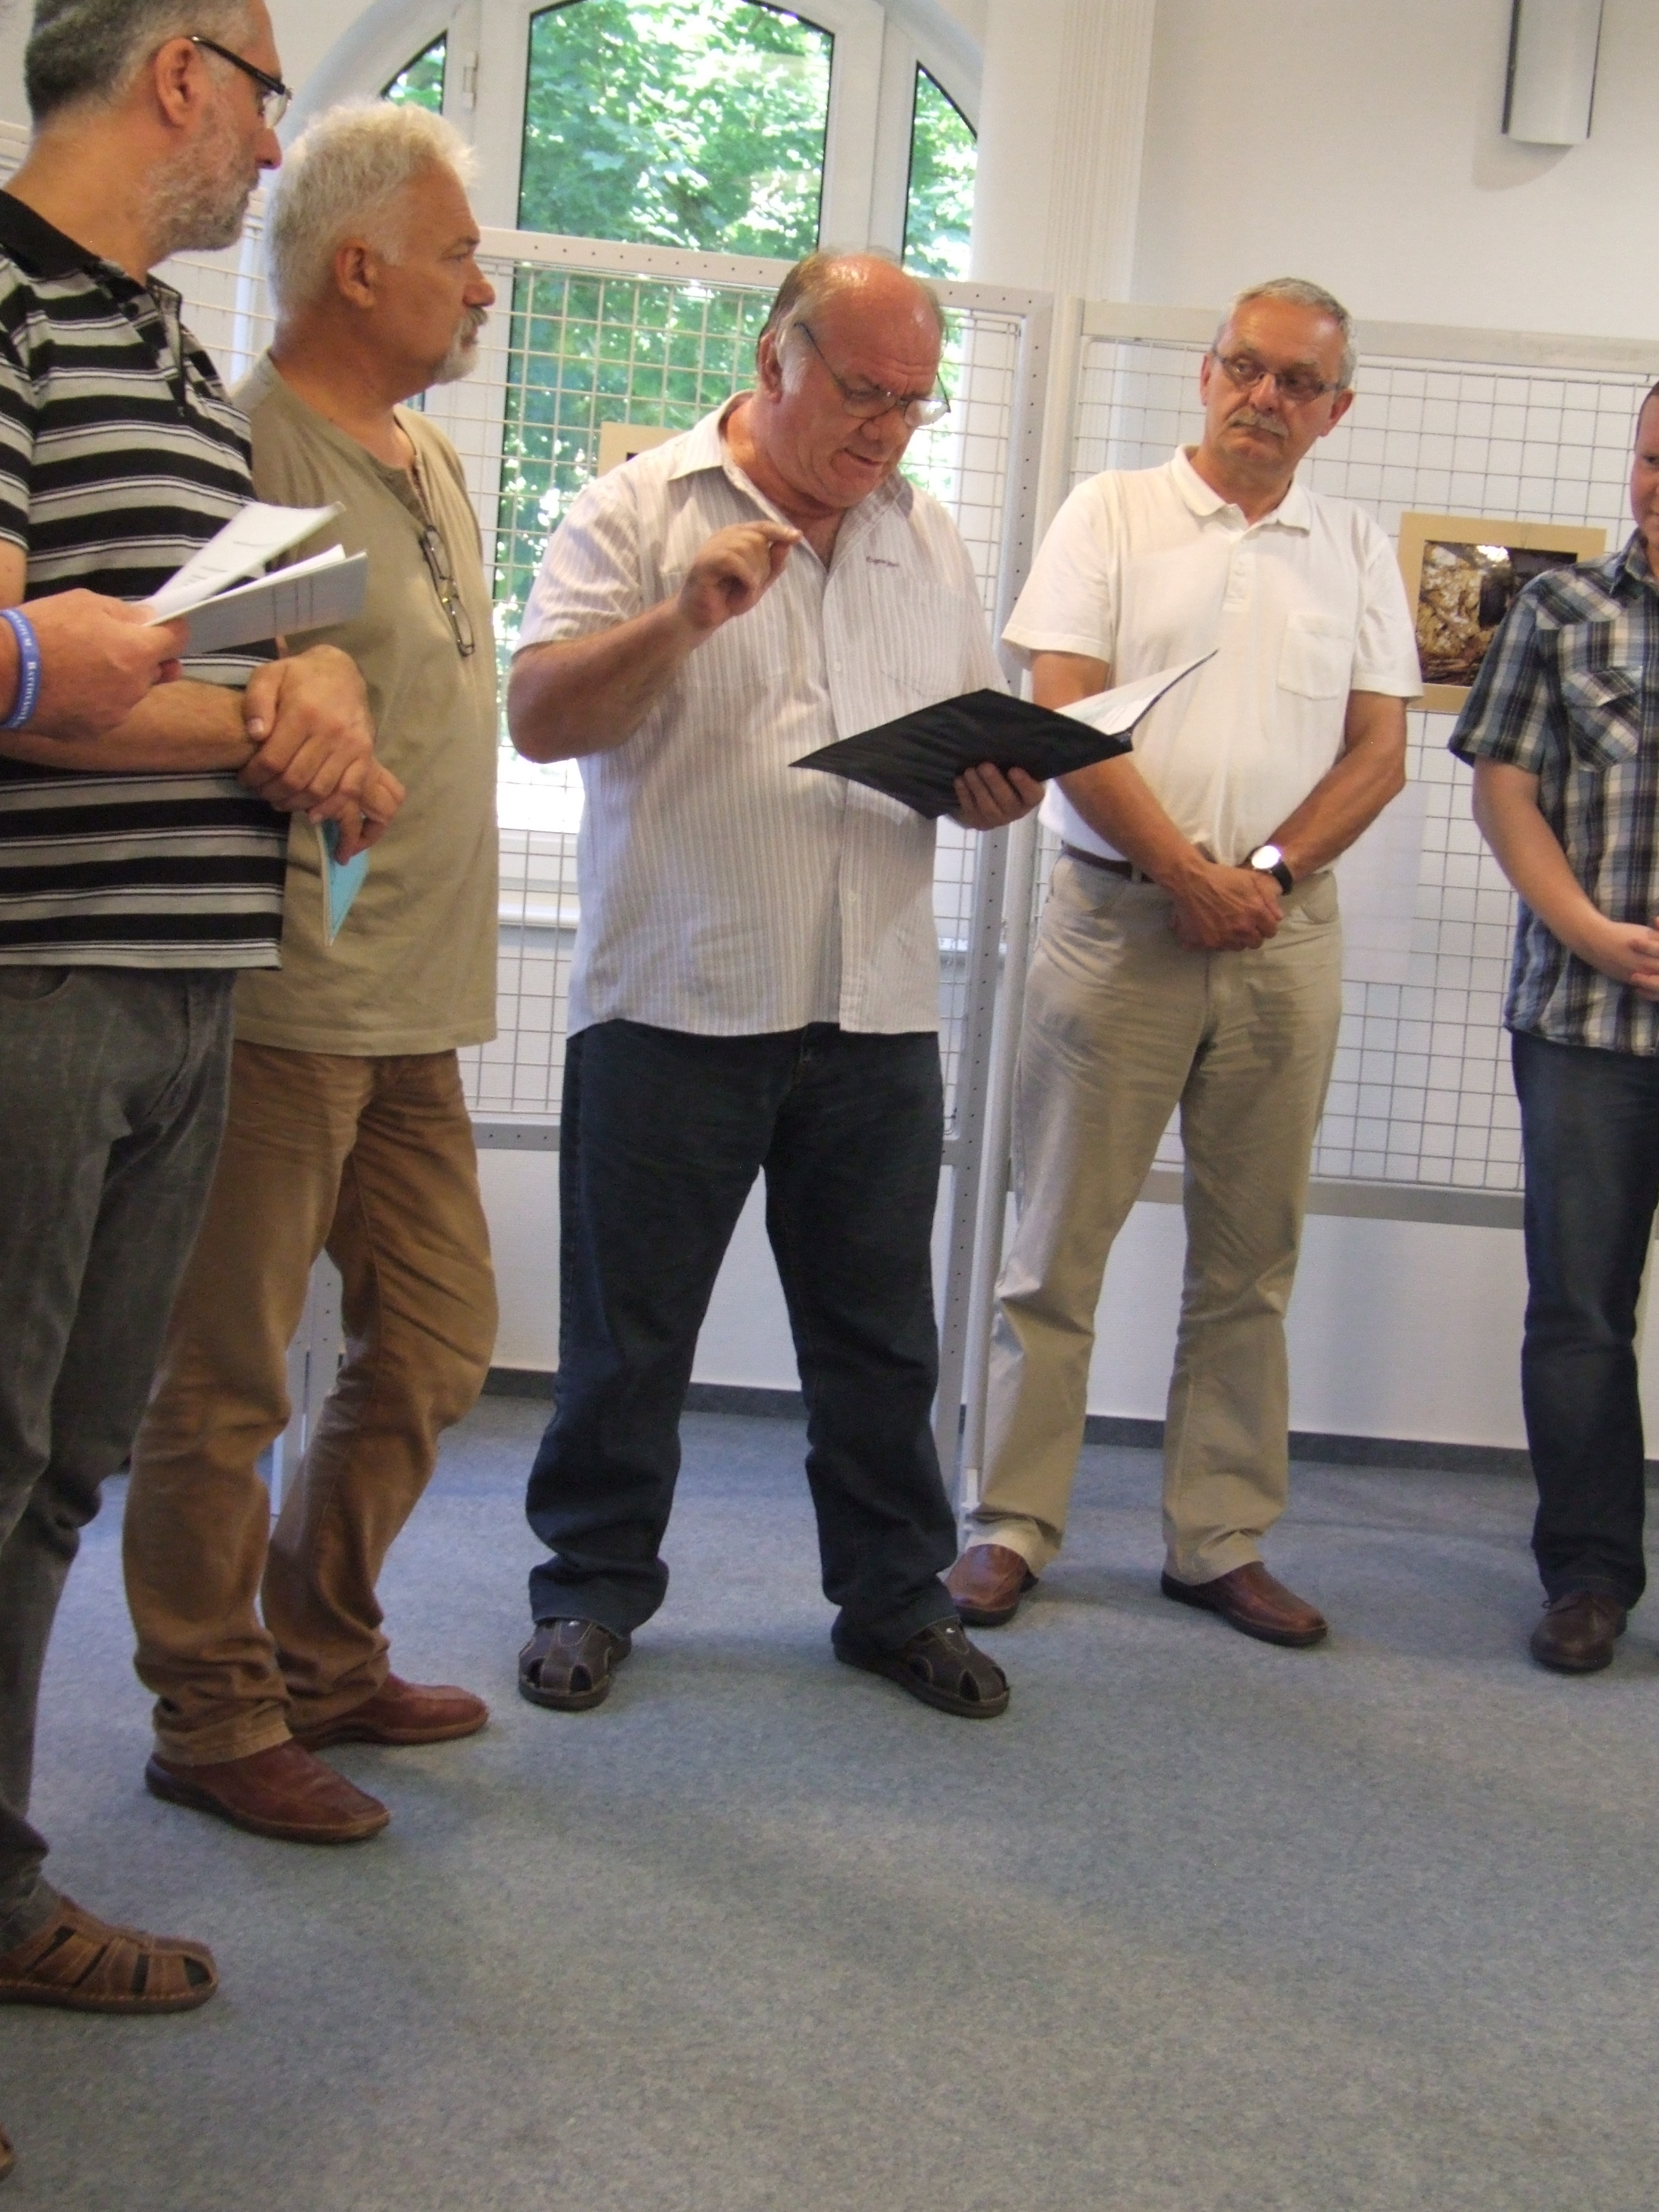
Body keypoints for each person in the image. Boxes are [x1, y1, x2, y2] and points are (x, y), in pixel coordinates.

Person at [0, 0, 400, 2147]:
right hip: (40, 974)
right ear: (176, 76)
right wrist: (272, 717)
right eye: (262, 98)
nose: (270, 149)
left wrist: (312, 678)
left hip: (184, 980)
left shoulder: (162, 345)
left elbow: (248, 623)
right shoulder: (5, 301)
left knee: (66, 1462)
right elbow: (28, 671)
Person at [509, 250, 1039, 1721]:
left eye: (915, 403)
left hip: (875, 1005)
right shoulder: (637, 511)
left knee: (881, 1342)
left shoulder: (927, 539)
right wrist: (682, 619)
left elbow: (952, 736)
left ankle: (895, 1601)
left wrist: (985, 788)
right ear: (773, 357)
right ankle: (589, 1588)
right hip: (675, 997)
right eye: (863, 391)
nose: (887, 429)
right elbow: (540, 718)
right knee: (630, 1339)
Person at [124, 101, 503, 1843]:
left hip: (416, 1005)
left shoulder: (426, 460)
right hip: (280, 1004)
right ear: (359, 271)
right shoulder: (245, 450)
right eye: (457, 257)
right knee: (225, 1381)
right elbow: (203, 706)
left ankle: (322, 1653)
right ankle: (212, 1716)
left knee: (435, 1345)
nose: (480, 288)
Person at [949, 278, 1419, 1647]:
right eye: (1246, 368)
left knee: (1250, 1260)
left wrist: (1261, 878)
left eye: (1297, 383)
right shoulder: (1109, 513)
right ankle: (1009, 1524)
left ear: (1336, 411)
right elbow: (1063, 713)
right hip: (1117, 928)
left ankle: (1218, 1539)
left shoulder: (1355, 546)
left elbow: (1380, 752)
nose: (1265, 398)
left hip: (1282, 935)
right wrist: (1186, 876)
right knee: (1054, 1245)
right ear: (1207, 374)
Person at [1452, 384, 1659, 1674]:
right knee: (1580, 1314)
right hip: (1586, 1024)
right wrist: (1587, 929)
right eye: (1653, 458)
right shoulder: (1561, 609)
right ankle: (1587, 1576)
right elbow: (1505, 788)